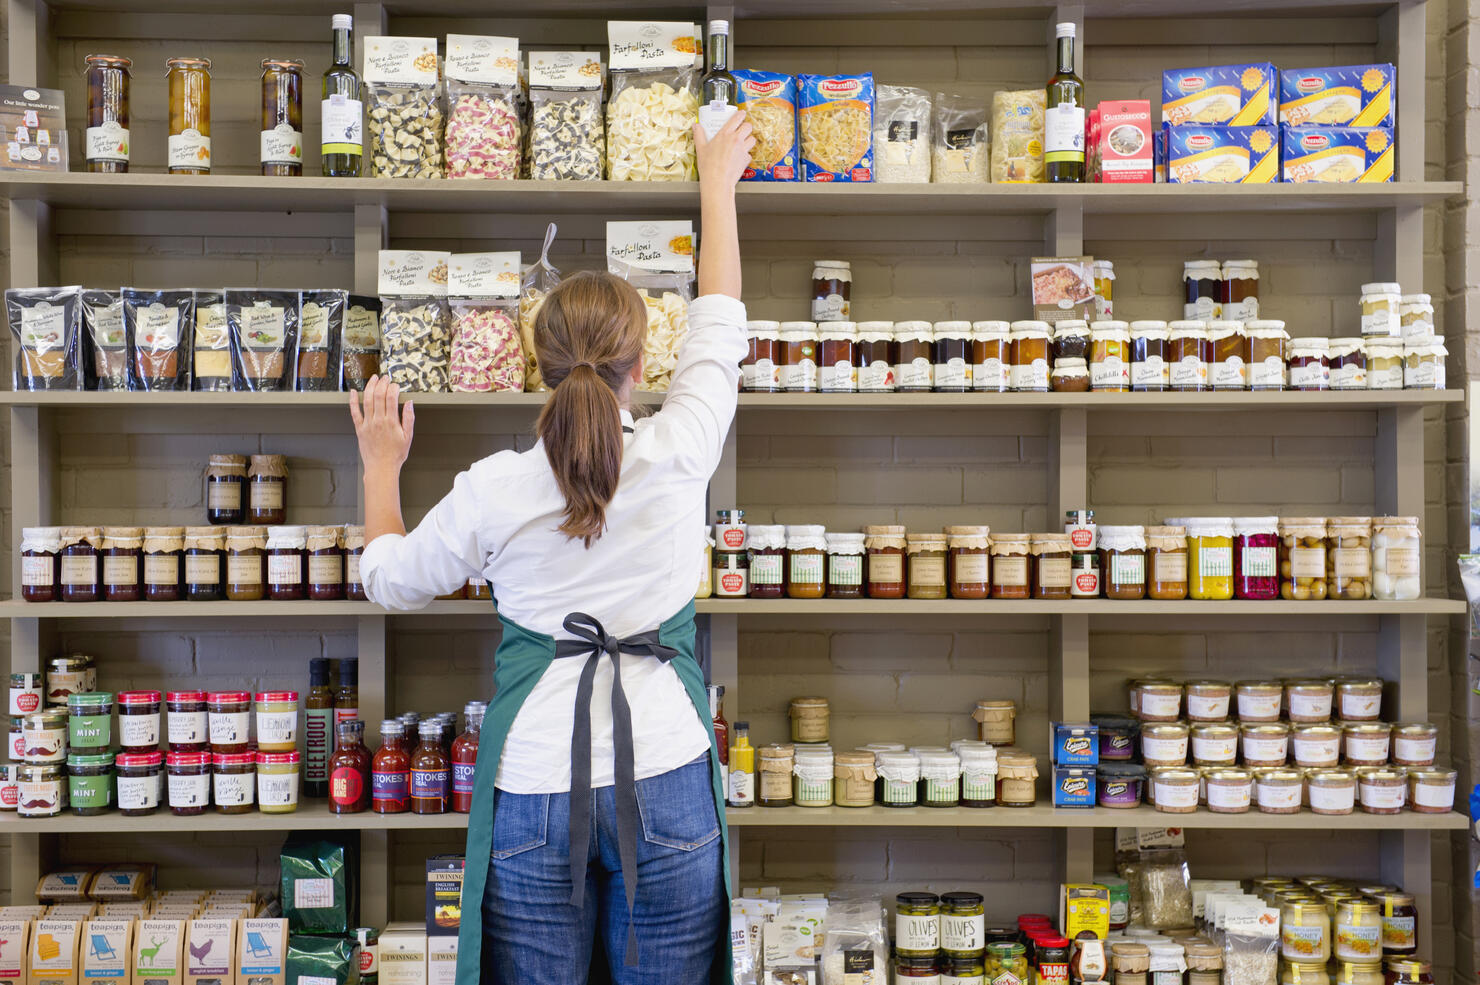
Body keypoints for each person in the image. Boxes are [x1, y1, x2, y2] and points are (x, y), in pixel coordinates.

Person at [350, 111, 756, 985]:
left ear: (538, 366)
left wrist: (382, 466)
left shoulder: (493, 488)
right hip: (669, 775)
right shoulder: (681, 448)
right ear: (641, 363)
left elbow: (388, 579)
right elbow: (720, 324)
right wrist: (715, 185)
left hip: (535, 785)